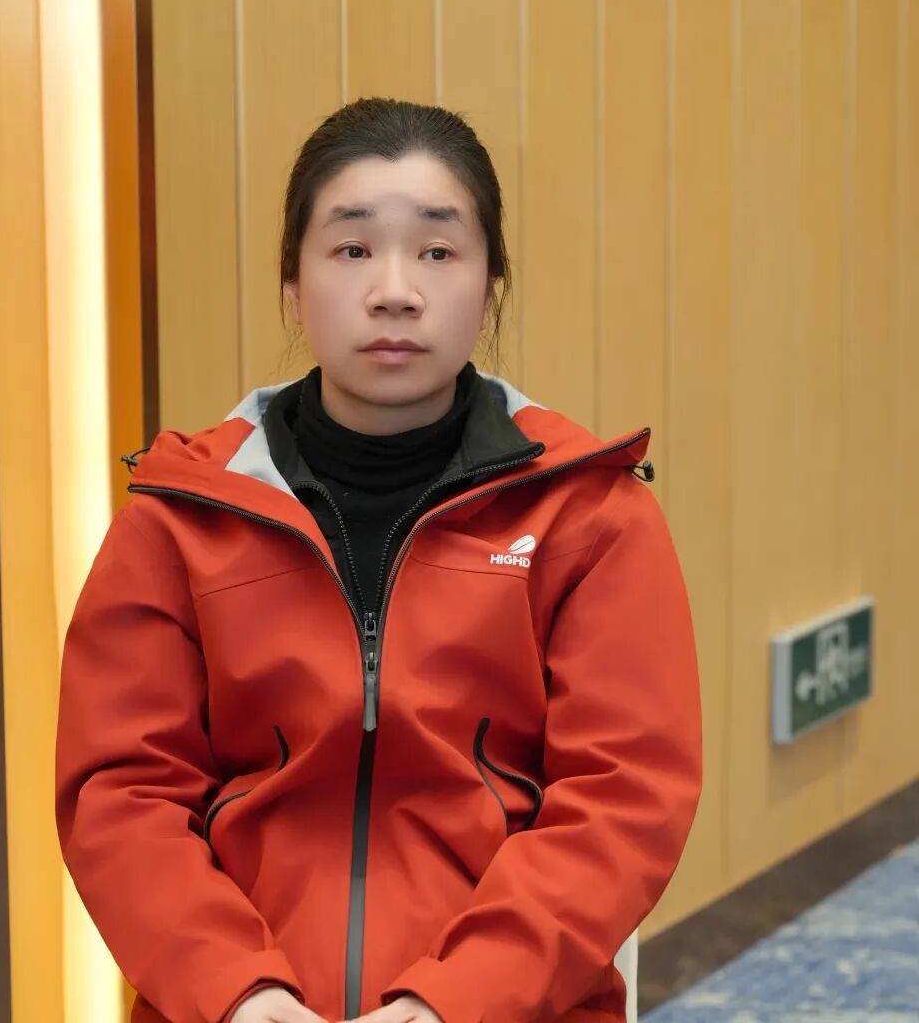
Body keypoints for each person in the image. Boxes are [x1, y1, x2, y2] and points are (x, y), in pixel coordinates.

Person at [54, 97, 702, 1023]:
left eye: (438, 252)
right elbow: (122, 795)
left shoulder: (591, 515)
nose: (395, 290)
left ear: (491, 286)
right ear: (292, 283)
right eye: (352, 248)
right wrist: (238, 992)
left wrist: (451, 1002)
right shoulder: (178, 520)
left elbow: (622, 801)